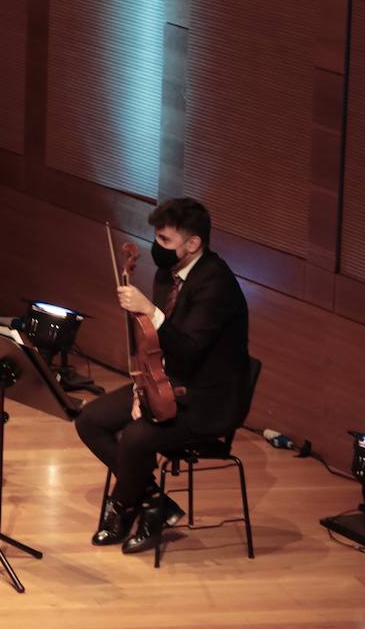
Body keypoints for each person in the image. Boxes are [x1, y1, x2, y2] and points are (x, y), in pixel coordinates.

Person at [75, 197, 250, 554]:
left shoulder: (216, 285)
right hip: (163, 383)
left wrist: (150, 310)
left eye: (166, 241)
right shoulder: (165, 274)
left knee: (136, 439)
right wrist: (142, 391)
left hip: (206, 398)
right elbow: (153, 345)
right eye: (156, 238)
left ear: (193, 243)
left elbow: (187, 348)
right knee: (89, 420)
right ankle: (155, 501)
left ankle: (123, 508)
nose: (157, 248)